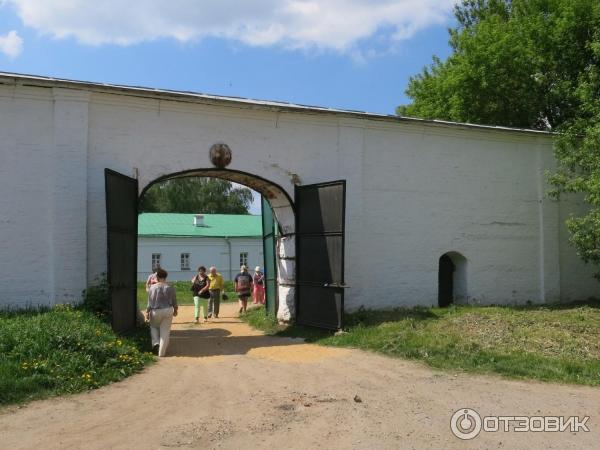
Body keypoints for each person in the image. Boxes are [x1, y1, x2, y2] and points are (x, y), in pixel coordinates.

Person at [145, 268, 178, 357]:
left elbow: (150, 301)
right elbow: (174, 300)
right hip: (168, 310)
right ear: (165, 277)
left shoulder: (152, 287)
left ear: (157, 277)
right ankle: (161, 353)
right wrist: (176, 310)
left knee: (154, 327)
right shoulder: (170, 287)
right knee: (165, 331)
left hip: (155, 310)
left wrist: (147, 311)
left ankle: (155, 343)